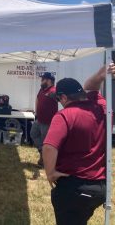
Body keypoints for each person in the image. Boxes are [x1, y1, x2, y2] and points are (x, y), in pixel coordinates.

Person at [42, 64, 114, 225]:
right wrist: (102, 74)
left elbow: (48, 147)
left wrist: (50, 173)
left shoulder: (64, 115)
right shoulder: (102, 108)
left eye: (59, 99)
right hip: (99, 187)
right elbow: (90, 86)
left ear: (64, 98)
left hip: (74, 187)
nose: (59, 103)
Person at [31, 72, 57, 166]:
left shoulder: (53, 90)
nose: (41, 81)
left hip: (48, 122)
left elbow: (58, 97)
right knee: (33, 133)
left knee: (45, 142)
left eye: (43, 79)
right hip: (39, 120)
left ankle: (45, 161)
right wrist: (36, 112)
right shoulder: (42, 89)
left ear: (49, 81)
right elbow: (38, 98)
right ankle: (42, 152)